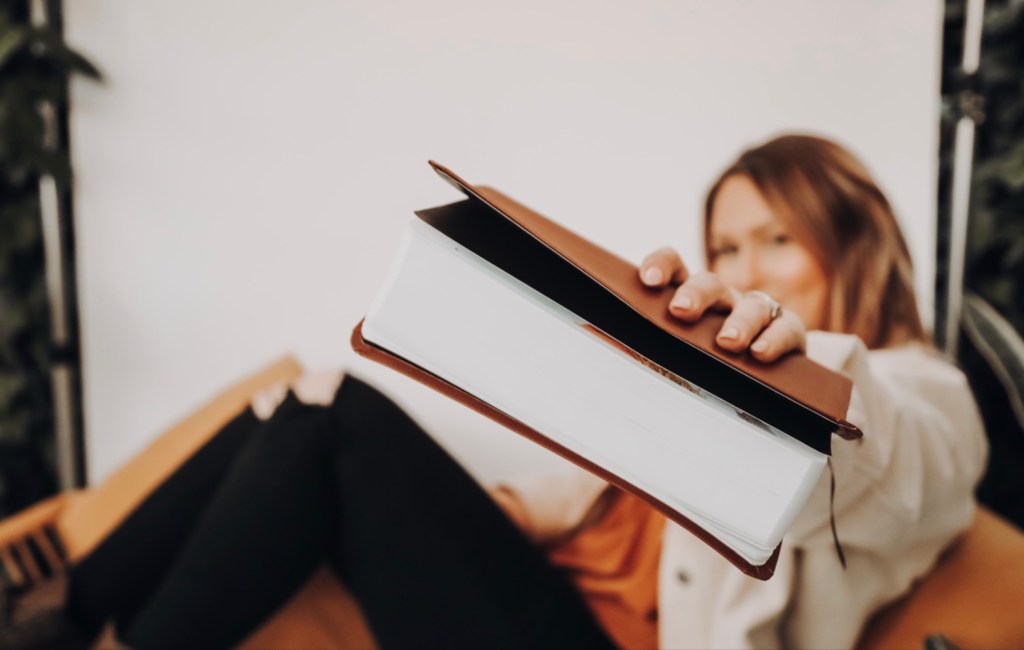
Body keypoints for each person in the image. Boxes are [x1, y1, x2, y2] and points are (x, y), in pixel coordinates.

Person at [1, 134, 987, 649]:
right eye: (727, 242)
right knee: (302, 398)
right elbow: (603, 500)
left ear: (851, 240)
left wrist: (814, 380)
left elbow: (900, 462)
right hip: (535, 593)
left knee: (332, 419)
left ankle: (62, 614)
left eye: (777, 235)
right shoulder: (717, 387)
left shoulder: (915, 388)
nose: (746, 263)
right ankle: (56, 609)